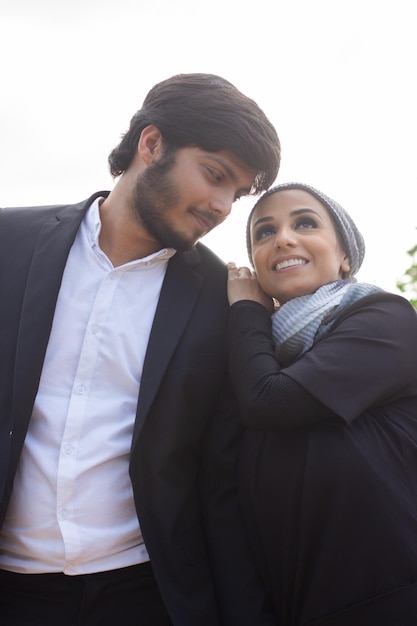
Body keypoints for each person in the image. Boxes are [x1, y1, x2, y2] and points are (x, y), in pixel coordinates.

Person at [0, 73, 281, 626]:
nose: (223, 205)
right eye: (215, 174)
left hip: (148, 593)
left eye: (237, 191)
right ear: (151, 144)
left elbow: (218, 482)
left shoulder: (221, 298)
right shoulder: (10, 244)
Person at [227, 182, 417, 625]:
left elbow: (268, 402)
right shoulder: (251, 357)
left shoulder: (385, 319)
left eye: (305, 223)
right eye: (264, 232)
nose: (284, 239)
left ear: (345, 256)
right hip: (300, 605)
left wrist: (247, 312)